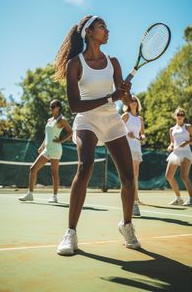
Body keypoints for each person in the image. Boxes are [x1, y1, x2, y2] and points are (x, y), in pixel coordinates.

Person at [54, 15, 141, 256]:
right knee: (85, 166)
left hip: (111, 120)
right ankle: (70, 233)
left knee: (126, 176)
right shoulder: (75, 64)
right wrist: (110, 98)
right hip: (87, 120)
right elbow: (74, 106)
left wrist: (124, 94)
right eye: (102, 26)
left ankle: (127, 225)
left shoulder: (113, 61)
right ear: (89, 32)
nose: (107, 30)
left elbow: (121, 97)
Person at [19, 99, 72, 203]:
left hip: (56, 149)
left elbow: (70, 132)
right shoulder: (49, 120)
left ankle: (55, 196)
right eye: (50, 106)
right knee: (33, 169)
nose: (50, 108)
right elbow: (47, 135)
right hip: (47, 149)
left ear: (58, 108)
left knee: (54, 172)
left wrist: (61, 140)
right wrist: (42, 146)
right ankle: (30, 194)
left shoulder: (62, 120)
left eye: (52, 107)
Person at [165, 107, 192, 206]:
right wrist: (170, 146)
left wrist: (187, 142)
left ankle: (191, 199)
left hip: (186, 153)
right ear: (175, 116)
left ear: (184, 117)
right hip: (175, 154)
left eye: (182, 115)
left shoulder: (188, 127)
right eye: (178, 115)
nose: (180, 116)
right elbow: (172, 142)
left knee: (184, 176)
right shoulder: (172, 129)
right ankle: (178, 198)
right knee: (168, 176)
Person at [122, 95, 146, 216]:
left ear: (137, 103)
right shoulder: (126, 116)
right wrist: (127, 133)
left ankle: (135, 199)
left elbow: (143, 134)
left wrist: (142, 137)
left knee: (135, 174)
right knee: (130, 175)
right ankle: (132, 201)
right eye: (131, 101)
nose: (133, 103)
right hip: (127, 147)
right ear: (128, 104)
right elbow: (117, 127)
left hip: (136, 147)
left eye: (135, 101)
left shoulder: (140, 119)